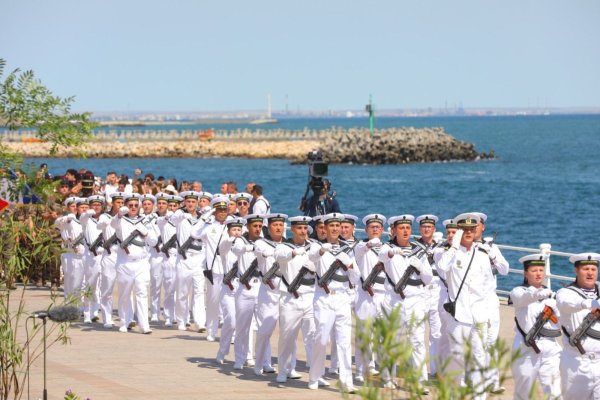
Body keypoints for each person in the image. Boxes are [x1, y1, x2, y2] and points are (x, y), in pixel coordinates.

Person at [437, 213, 508, 400]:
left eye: (471, 229)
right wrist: (454, 245)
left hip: (479, 315)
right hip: (458, 316)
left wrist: (486, 312)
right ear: (459, 232)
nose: (468, 232)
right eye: (464, 230)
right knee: (458, 357)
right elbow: (442, 268)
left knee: (479, 357)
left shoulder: (483, 254)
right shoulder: (450, 254)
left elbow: (487, 285)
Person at [378, 214, 432, 393]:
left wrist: (421, 267)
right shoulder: (388, 248)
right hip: (395, 300)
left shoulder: (418, 250)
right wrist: (393, 252)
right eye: (401, 228)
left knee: (417, 341)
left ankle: (419, 381)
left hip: (416, 300)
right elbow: (382, 255)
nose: (405, 231)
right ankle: (387, 377)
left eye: (408, 228)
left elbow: (428, 278)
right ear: (393, 231)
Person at [307, 212, 359, 393]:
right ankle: (315, 375)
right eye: (332, 226)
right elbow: (312, 257)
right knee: (321, 338)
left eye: (338, 226)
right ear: (326, 228)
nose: (336, 229)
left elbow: (356, 277)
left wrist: (350, 266)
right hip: (324, 298)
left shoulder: (347, 248)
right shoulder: (317, 246)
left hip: (343, 298)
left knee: (344, 341)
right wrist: (323, 249)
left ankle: (347, 381)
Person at [510, 254, 561, 400]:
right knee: (523, 393)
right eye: (534, 270)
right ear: (525, 273)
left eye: (541, 270)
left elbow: (559, 323)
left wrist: (557, 309)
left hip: (550, 348)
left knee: (554, 392)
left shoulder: (551, 295)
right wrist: (538, 293)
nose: (538, 273)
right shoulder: (517, 291)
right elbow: (523, 299)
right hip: (526, 349)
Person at [274, 215, 316, 383]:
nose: (303, 231)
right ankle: (283, 370)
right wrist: (293, 252)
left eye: (305, 228)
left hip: (310, 297)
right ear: (292, 229)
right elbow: (280, 256)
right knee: (287, 336)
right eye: (299, 228)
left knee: (313, 337)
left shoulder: (313, 247)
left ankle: (315, 372)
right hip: (290, 299)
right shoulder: (283, 246)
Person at [111, 193, 157, 334]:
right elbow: (113, 224)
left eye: (136, 205)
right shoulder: (121, 220)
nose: (133, 208)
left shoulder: (146, 220)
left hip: (142, 263)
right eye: (130, 205)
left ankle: (144, 325)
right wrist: (119, 214)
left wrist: (146, 234)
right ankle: (124, 322)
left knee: (142, 293)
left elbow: (154, 242)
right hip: (125, 263)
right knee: (124, 294)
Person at [556, 252, 600, 398]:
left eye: (593, 269)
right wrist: (586, 303)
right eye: (585, 269)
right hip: (576, 364)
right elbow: (565, 304)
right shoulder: (566, 292)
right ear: (576, 270)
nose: (590, 273)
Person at [352, 213, 387, 383]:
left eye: (378, 227)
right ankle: (360, 370)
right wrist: (368, 244)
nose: (375, 229)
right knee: (364, 335)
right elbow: (360, 250)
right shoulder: (360, 246)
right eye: (372, 227)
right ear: (366, 229)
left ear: (382, 230)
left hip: (384, 295)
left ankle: (383, 369)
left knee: (384, 336)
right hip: (365, 295)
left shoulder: (386, 248)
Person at [253, 213, 288, 375]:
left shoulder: (289, 245)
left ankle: (288, 366)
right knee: (266, 330)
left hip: (287, 290)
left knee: (289, 330)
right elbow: (260, 250)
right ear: (268, 227)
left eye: (281, 225)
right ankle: (261, 362)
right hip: (269, 290)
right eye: (275, 225)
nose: (279, 227)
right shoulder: (261, 243)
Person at [169, 191, 207, 332]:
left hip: (198, 258)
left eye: (193, 202)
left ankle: (200, 322)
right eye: (188, 201)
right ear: (184, 202)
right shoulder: (180, 216)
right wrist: (180, 210)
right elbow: (173, 218)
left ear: (197, 203)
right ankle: (182, 320)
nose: (190, 204)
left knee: (199, 291)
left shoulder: (203, 218)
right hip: (184, 258)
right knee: (182, 292)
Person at [193, 196, 229, 341]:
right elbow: (194, 233)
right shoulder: (208, 227)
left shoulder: (232, 226)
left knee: (229, 303)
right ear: (215, 211)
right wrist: (205, 216)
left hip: (229, 270)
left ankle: (229, 333)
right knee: (213, 301)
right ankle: (211, 331)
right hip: (213, 269)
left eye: (224, 210)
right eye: (219, 210)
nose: (222, 212)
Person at [231, 214, 264, 370]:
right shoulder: (240, 241)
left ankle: (264, 361)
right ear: (248, 227)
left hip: (262, 288)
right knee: (242, 327)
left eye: (259, 226)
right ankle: (240, 358)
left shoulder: (265, 243)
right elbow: (237, 249)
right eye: (255, 226)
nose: (257, 229)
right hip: (245, 288)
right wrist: (250, 247)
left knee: (264, 327)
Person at [413, 214, 444, 378]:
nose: (427, 229)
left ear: (434, 229)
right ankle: (418, 371)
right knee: (417, 331)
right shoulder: (413, 247)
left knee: (436, 333)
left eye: (429, 227)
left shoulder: (440, 247)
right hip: (420, 290)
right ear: (420, 229)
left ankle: (435, 369)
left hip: (437, 291)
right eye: (424, 227)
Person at [215, 216, 244, 364]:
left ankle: (246, 355)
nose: (237, 232)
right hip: (228, 289)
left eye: (239, 230)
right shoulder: (226, 245)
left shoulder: (244, 247)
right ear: (228, 231)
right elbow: (222, 249)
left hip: (243, 289)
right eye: (234, 229)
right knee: (231, 322)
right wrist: (231, 239)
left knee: (246, 325)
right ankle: (222, 351)